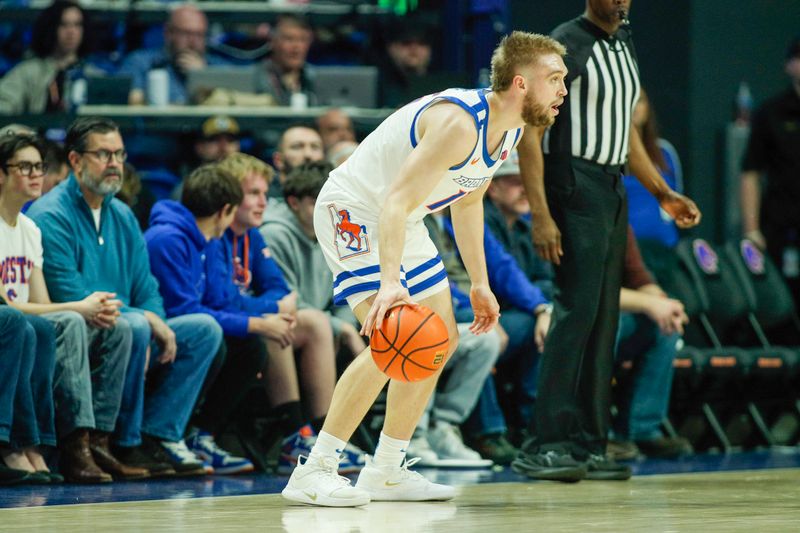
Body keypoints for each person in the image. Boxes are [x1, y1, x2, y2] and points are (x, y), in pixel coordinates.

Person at [281, 31, 568, 507]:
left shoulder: (512, 129)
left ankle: (386, 469)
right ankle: (316, 469)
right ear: (520, 83)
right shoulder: (458, 123)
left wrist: (479, 282)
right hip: (354, 209)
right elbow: (392, 200)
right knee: (393, 337)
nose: (562, 90)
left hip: (403, 217)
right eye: (554, 79)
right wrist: (392, 284)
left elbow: (469, 200)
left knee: (441, 338)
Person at [512, 0, 701, 483]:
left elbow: (625, 134)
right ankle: (546, 444)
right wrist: (540, 213)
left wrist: (661, 191)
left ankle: (589, 443)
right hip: (571, 182)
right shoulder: (566, 42)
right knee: (576, 311)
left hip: (611, 185)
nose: (620, 1)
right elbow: (531, 134)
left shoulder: (624, 41)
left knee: (603, 317)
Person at [26, 117, 223, 477]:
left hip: (124, 324)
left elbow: (146, 285)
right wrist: (145, 319)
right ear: (75, 161)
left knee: (203, 329)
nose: (115, 163)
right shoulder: (50, 215)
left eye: (119, 153)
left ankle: (156, 436)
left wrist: (156, 319)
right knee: (133, 324)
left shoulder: (122, 213)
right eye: (103, 154)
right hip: (76, 327)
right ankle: (117, 443)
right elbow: (69, 293)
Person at [213, 153, 364, 474]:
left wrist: (275, 306)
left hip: (256, 323)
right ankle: (297, 436)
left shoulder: (251, 236)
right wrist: (271, 308)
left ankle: (323, 437)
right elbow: (225, 298)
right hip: (227, 327)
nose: (263, 203)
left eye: (265, 194)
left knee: (308, 322)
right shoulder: (223, 235)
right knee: (285, 323)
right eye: (254, 194)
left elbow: (281, 291)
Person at [1, 134, 134, 483]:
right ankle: (39, 444)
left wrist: (81, 309)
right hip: (9, 320)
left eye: (40, 167)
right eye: (24, 167)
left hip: (23, 322)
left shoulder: (29, 229)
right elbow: (7, 303)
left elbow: (42, 304)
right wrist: (80, 306)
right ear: (1, 174)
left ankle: (69, 443)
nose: (35, 175)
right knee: (45, 322)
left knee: (72, 325)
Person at [143, 164, 256, 475]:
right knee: (209, 332)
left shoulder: (208, 241)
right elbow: (183, 311)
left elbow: (223, 300)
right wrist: (254, 323)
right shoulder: (166, 239)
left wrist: (266, 317)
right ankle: (161, 434)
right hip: (154, 334)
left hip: (182, 329)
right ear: (226, 211)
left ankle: (198, 433)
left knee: (250, 346)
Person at [261, 160, 365, 361]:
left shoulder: (336, 233)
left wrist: (345, 326)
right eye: (316, 201)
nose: (327, 208)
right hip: (289, 325)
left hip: (324, 325)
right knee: (321, 327)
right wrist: (339, 327)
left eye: (332, 200)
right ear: (294, 203)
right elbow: (288, 301)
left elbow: (346, 293)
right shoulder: (273, 235)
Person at [608, 227, 693, 460]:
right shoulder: (573, 217)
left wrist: (666, 305)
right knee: (603, 331)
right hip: (571, 318)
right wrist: (649, 304)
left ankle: (640, 429)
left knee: (664, 327)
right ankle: (594, 433)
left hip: (611, 313)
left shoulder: (617, 219)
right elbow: (588, 292)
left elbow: (639, 277)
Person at [740, 36, 800, 306]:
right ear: (789, 65)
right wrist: (751, 229)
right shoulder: (771, 113)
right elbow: (750, 171)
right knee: (779, 302)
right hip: (780, 224)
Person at [0, 1, 103, 114]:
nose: (71, 31)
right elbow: (4, 103)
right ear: (51, 27)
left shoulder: (93, 75)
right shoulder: (28, 72)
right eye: (63, 24)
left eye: (77, 25)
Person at [118, 3, 230, 106]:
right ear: (168, 33)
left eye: (199, 35)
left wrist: (203, 76)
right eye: (186, 33)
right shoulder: (140, 62)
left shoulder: (217, 66)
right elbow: (122, 99)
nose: (193, 42)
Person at [255, 15, 316, 107]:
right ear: (272, 42)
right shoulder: (257, 77)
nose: (296, 47)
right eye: (289, 39)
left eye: (302, 40)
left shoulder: (313, 78)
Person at [267, 124, 325, 200]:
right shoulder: (264, 196)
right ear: (279, 160)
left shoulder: (335, 193)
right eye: (297, 147)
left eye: (315, 147)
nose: (308, 154)